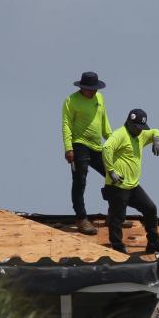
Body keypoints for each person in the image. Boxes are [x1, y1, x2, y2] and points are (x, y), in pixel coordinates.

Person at [101, 109, 159, 255]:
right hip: (118, 185)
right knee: (117, 217)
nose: (139, 131)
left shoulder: (140, 135)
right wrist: (111, 171)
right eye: (137, 127)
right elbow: (106, 148)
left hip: (133, 185)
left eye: (141, 128)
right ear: (129, 123)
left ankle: (154, 242)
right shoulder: (120, 134)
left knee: (150, 208)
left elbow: (156, 131)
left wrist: (158, 139)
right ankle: (117, 248)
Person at [61, 71, 112, 235]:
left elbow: (105, 122)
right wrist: (68, 148)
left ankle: (114, 214)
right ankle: (82, 218)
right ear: (82, 87)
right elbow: (66, 125)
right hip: (79, 145)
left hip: (97, 146)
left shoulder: (100, 98)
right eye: (89, 89)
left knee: (114, 175)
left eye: (95, 89)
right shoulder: (71, 101)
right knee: (80, 181)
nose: (93, 92)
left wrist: (112, 140)